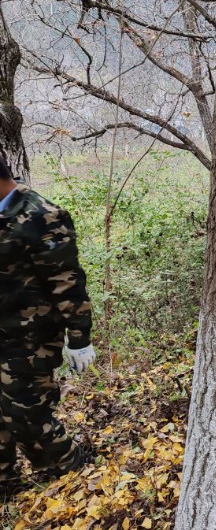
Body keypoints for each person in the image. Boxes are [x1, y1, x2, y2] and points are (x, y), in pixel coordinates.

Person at [0, 154, 95, 494]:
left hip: (29, 339)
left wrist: (79, 338)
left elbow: (67, 282)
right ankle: (6, 483)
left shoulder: (41, 216)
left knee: (28, 416)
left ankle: (74, 474)